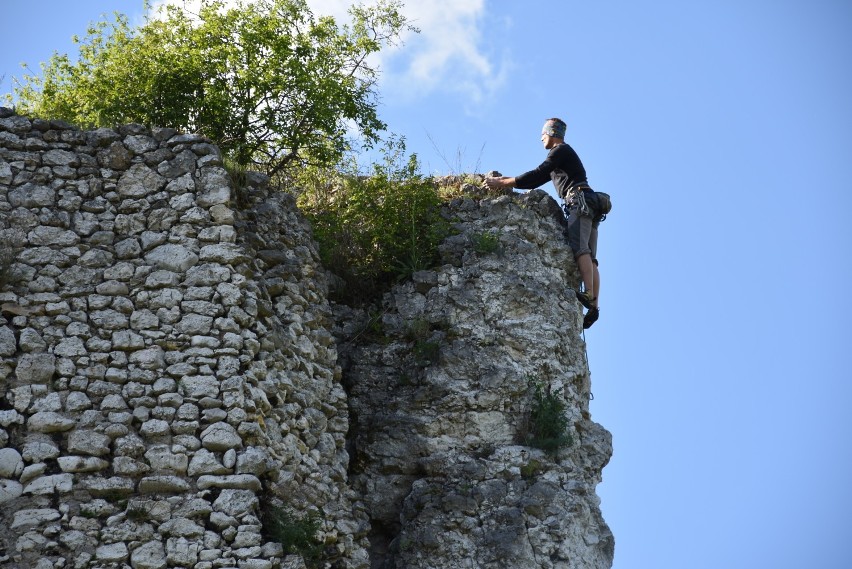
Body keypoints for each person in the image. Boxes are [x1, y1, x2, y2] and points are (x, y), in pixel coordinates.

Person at [485, 117, 603, 329]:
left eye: (543, 134)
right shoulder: (563, 157)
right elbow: (536, 178)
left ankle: (589, 295)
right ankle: (594, 306)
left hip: (579, 201)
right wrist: (509, 180)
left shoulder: (560, 150)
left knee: (581, 250)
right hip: (591, 202)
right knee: (591, 257)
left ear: (551, 133)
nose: (540, 138)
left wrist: (501, 183)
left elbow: (538, 173)